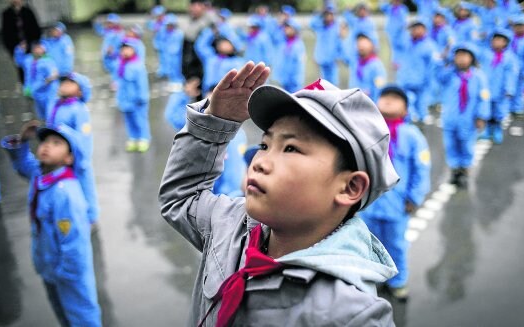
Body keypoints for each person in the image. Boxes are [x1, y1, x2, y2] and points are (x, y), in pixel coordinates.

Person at [158, 62, 399, 326]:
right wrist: (215, 123)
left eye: (291, 149)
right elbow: (181, 198)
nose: (259, 162)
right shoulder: (231, 225)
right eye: (264, 144)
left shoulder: (350, 314)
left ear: (349, 187)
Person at [1, 123, 101, 326]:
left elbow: (75, 244)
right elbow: (22, 164)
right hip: (50, 267)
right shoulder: (41, 175)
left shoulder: (66, 193)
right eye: (45, 141)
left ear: (69, 158)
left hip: (68, 274)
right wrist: (22, 141)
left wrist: (64, 273)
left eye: (56, 143)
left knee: (81, 316)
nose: (47, 146)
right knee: (63, 314)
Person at [361, 86, 431, 301]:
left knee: (395, 245)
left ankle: (397, 282)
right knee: (366, 243)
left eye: (395, 99)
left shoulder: (412, 136)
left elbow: (422, 168)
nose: (389, 101)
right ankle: (371, 278)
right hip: (368, 204)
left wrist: (414, 197)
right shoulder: (366, 131)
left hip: (397, 205)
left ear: (405, 109)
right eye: (385, 98)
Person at [46, 72, 99, 224]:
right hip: (62, 156)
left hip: (77, 157)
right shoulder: (56, 104)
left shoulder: (79, 109)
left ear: (80, 91)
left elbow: (84, 137)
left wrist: (82, 160)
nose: (64, 85)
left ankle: (90, 217)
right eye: (63, 82)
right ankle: (72, 215)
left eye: (70, 83)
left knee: (85, 186)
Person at [437, 43, 491, 188]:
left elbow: (484, 97)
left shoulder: (479, 77)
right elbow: (438, 75)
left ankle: (464, 172)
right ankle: (454, 171)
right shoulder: (449, 74)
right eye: (458, 56)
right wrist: (444, 59)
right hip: (450, 118)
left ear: (472, 58)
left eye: (465, 56)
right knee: (450, 145)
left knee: (466, 145)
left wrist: (481, 116)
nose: (461, 59)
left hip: (468, 119)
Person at [396, 19, 441, 122]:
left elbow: (434, 64)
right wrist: (403, 28)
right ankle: (411, 115)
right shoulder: (407, 42)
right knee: (407, 99)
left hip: (421, 79)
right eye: (414, 28)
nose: (416, 31)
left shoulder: (429, 45)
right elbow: (396, 41)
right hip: (406, 78)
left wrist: (430, 79)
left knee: (422, 100)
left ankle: (422, 116)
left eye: (419, 28)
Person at [479, 29, 519, 144]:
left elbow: (511, 74)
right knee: (485, 109)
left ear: (505, 43)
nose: (496, 42)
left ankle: (496, 129)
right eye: (494, 39)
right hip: (487, 89)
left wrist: (509, 88)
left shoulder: (509, 58)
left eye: (500, 40)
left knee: (499, 110)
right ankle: (486, 130)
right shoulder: (486, 54)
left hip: (501, 90)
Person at [115, 41, 151, 153]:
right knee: (129, 121)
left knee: (140, 120)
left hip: (137, 100)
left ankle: (144, 139)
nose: (125, 51)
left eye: (128, 49)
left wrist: (142, 98)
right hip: (125, 100)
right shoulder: (121, 64)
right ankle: (133, 139)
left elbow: (142, 83)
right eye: (123, 49)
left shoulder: (138, 65)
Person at [14, 40, 59, 120]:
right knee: (40, 115)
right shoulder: (28, 59)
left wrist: (49, 79)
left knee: (50, 113)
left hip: (48, 92)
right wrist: (20, 50)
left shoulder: (48, 61)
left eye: (40, 48)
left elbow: (54, 73)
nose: (37, 50)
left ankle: (52, 128)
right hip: (35, 92)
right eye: (36, 48)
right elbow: (18, 61)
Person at [194, 29, 246, 94]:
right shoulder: (210, 57)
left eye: (227, 43)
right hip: (208, 92)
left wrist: (228, 31)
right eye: (222, 43)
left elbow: (238, 78)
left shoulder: (237, 61)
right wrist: (210, 32)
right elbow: (200, 46)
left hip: (225, 93)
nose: (223, 45)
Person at [1, 0, 41, 83]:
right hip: (16, 47)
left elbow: (35, 29)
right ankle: (25, 86)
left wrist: (31, 43)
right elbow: (6, 32)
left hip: (30, 45)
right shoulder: (6, 14)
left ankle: (35, 86)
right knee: (20, 68)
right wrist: (14, 46)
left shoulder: (28, 12)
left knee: (33, 65)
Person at [309, 4, 343, 85]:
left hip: (333, 60)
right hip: (322, 59)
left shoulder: (336, 28)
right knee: (322, 84)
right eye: (326, 15)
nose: (328, 17)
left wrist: (339, 56)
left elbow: (339, 44)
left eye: (330, 14)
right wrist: (319, 13)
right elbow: (311, 24)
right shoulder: (320, 27)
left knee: (333, 83)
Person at [347, 33, 387, 102]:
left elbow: (379, 90)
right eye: (359, 43)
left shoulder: (377, 66)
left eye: (364, 43)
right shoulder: (356, 63)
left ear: (373, 45)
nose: (361, 46)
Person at [273, 20, 306, 92]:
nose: (285, 29)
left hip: (294, 83)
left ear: (295, 30)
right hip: (284, 80)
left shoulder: (298, 45)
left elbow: (300, 64)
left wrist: (297, 80)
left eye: (289, 27)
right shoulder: (284, 42)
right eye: (285, 27)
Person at [379, 0, 410, 70]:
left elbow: (404, 21)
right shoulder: (389, 8)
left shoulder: (403, 9)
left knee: (402, 47)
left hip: (400, 32)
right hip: (391, 32)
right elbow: (382, 6)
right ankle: (395, 62)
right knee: (393, 48)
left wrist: (402, 27)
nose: (396, 2)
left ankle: (402, 63)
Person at [159, 14, 185, 84]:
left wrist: (173, 51)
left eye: (170, 24)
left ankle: (178, 81)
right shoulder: (163, 32)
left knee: (176, 68)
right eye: (167, 25)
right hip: (166, 55)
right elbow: (160, 42)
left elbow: (179, 46)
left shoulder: (179, 33)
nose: (168, 26)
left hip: (176, 56)